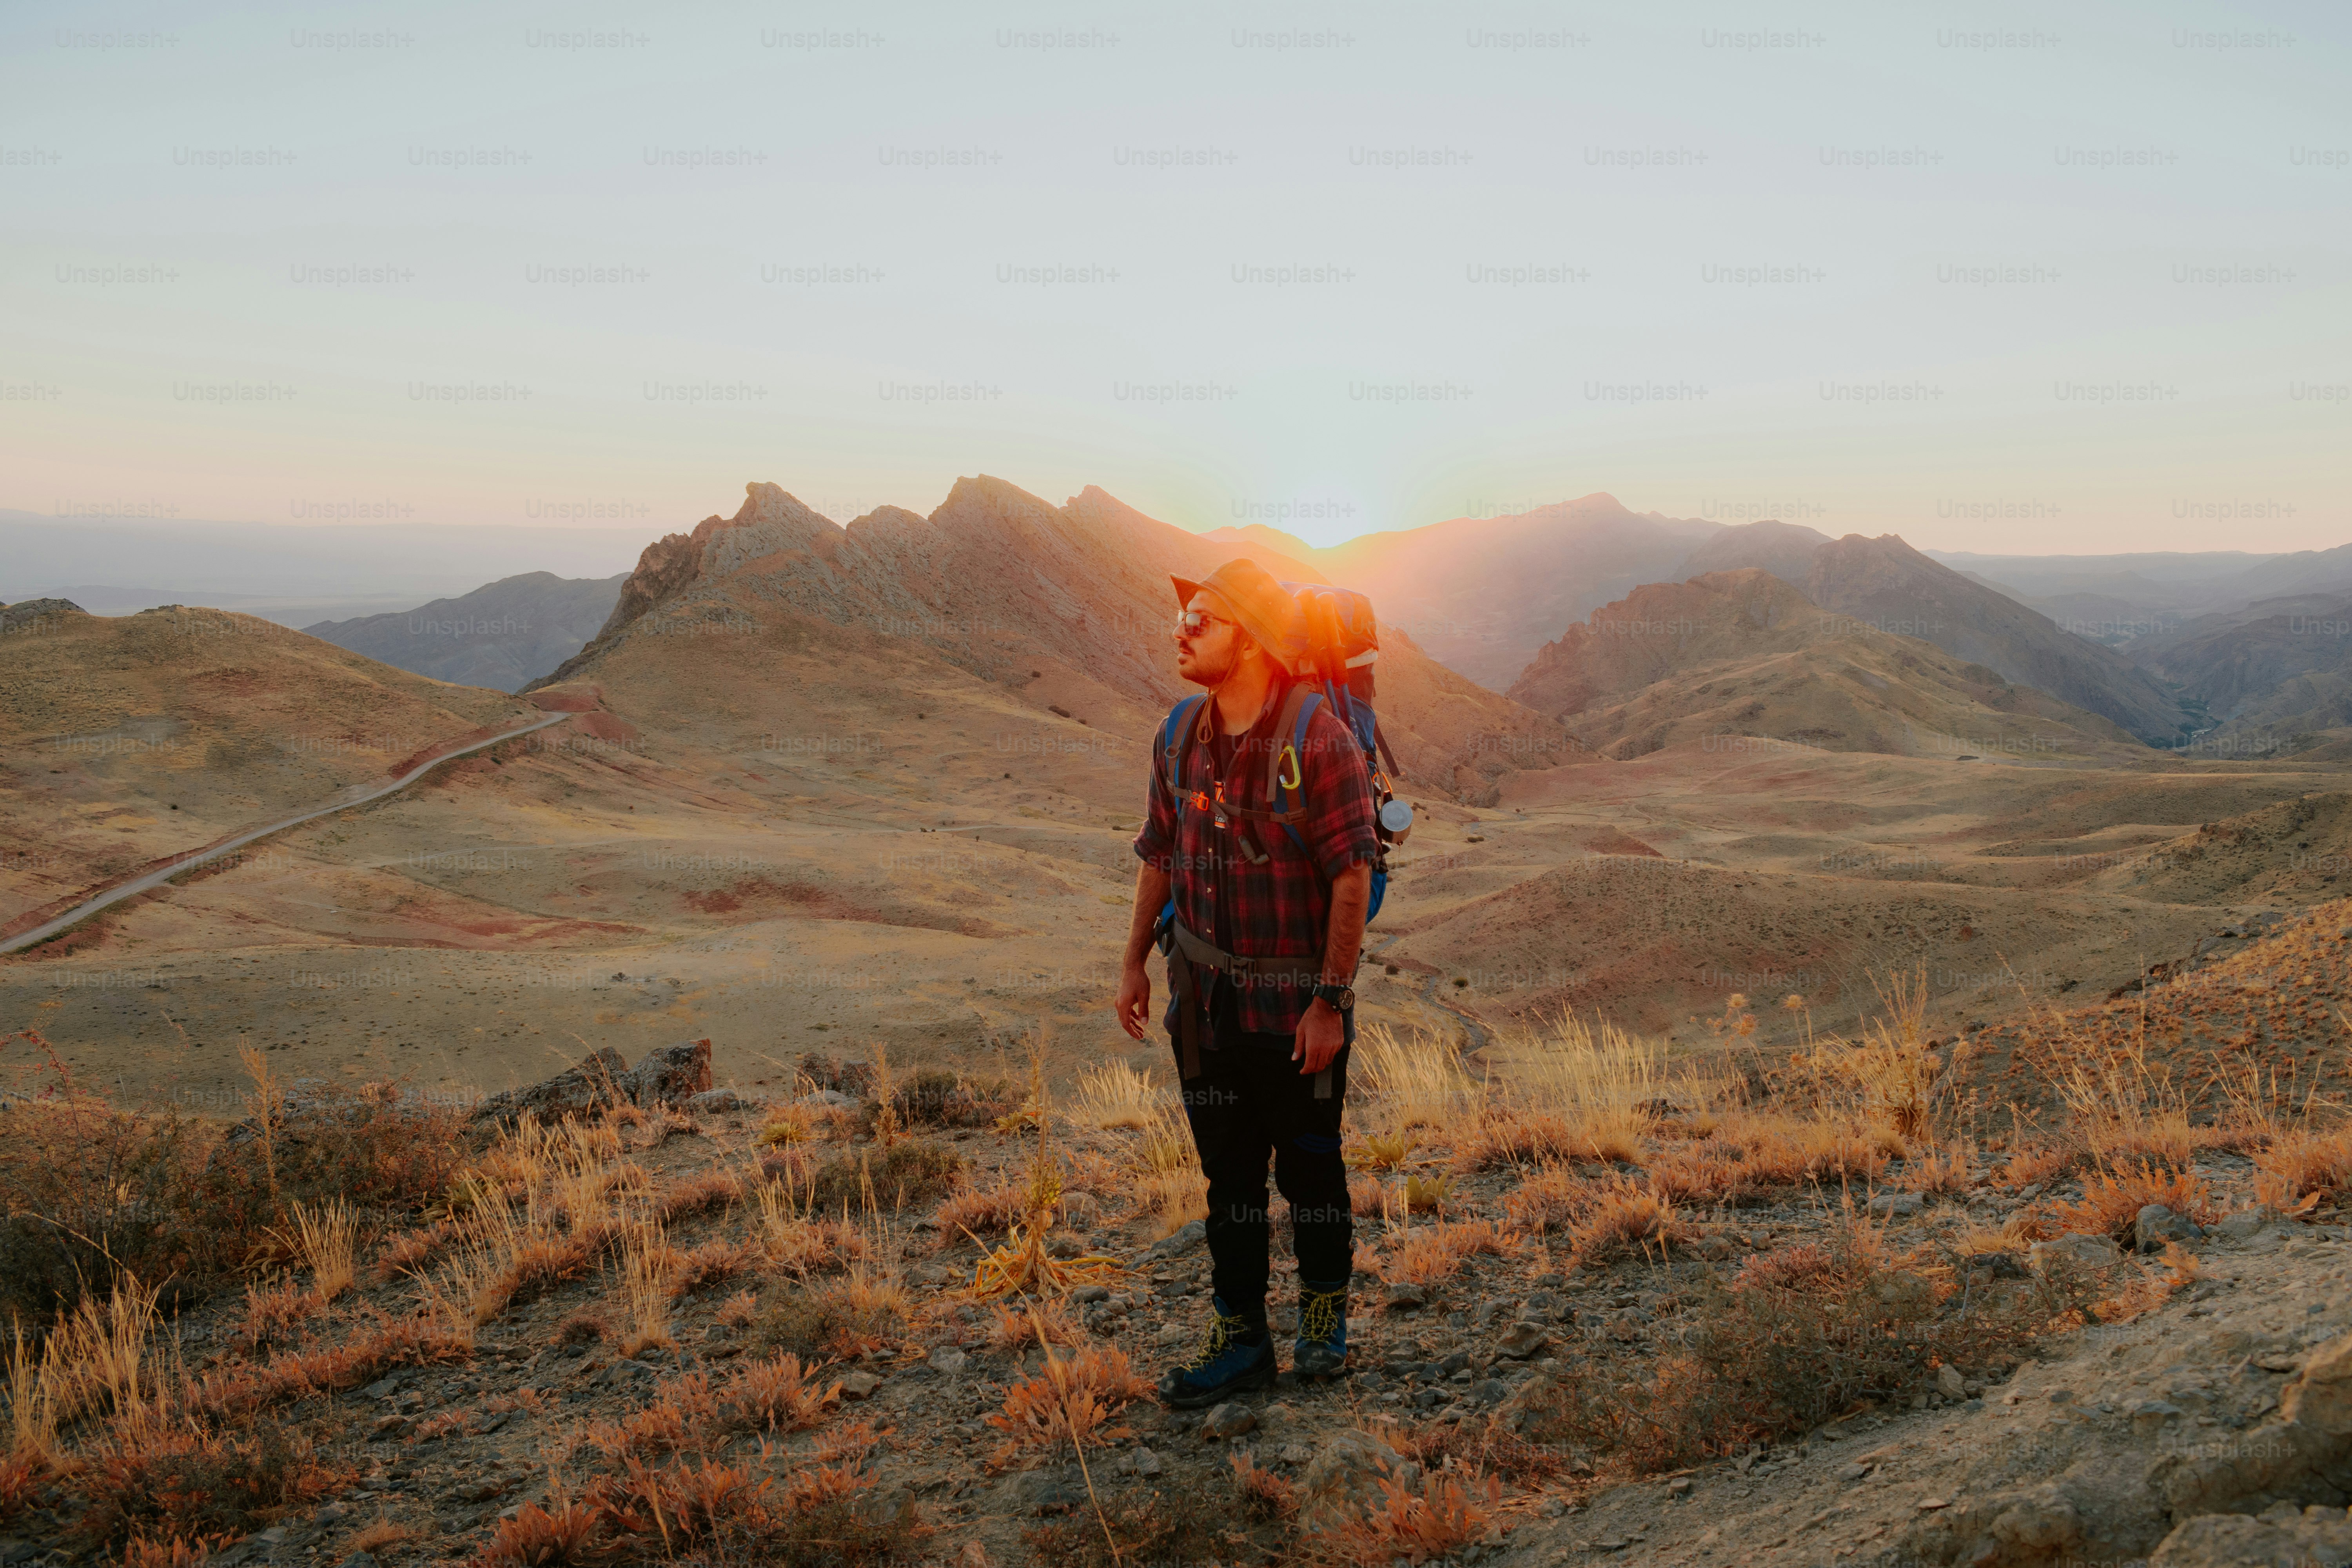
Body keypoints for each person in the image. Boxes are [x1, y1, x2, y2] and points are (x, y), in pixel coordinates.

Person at [1116, 558, 1379, 1407]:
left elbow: (1351, 874)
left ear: (1254, 640)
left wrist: (1330, 1004)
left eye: (1203, 620)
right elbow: (1158, 852)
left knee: (1311, 1174)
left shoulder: (1319, 741)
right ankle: (1242, 1340)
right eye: (1181, 616)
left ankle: (1323, 1323)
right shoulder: (1177, 735)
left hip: (1296, 1013)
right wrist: (1132, 962)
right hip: (1204, 1010)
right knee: (1228, 1182)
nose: (1181, 631)